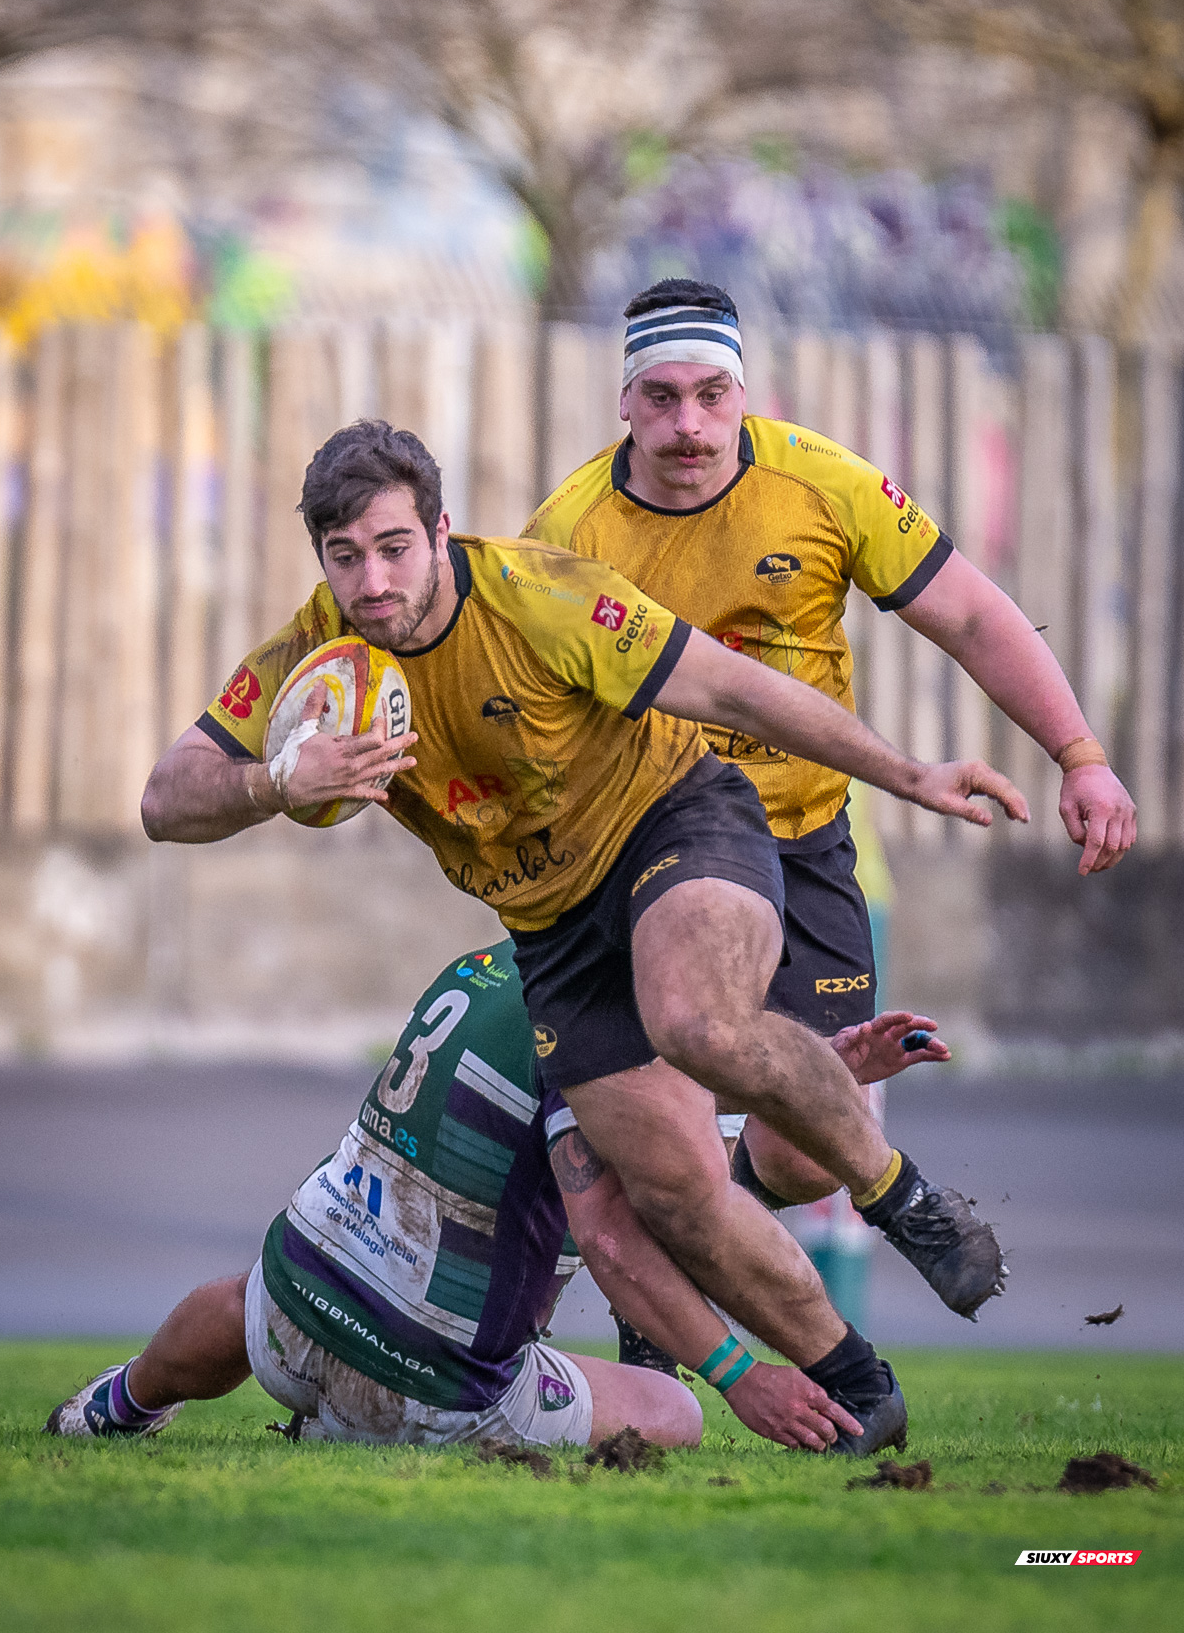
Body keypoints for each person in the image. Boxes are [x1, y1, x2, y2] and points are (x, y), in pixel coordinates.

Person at [142, 418, 1023, 1431]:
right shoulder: (322, 660)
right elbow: (167, 799)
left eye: (392, 548)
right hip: (552, 929)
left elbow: (736, 686)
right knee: (673, 1191)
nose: (372, 582)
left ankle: (903, 1200)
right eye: (345, 558)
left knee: (695, 1020)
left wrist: (908, 776)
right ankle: (861, 1392)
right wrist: (273, 779)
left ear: (440, 531)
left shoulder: (538, 598)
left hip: (674, 824)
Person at [523, 276, 1137, 1227]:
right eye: (662, 397)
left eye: (710, 396)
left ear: (743, 392)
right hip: (646, 851)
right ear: (624, 403)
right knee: (665, 1111)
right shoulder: (567, 536)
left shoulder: (822, 484)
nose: (688, 423)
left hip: (802, 840)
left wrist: (1079, 753)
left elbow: (971, 613)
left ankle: (706, 1211)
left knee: (815, 1148)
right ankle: (669, 1275)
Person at [47, 942, 923, 1457]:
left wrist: (819, 1083)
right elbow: (627, 1238)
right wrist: (740, 1379)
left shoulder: (489, 963)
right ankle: (355, 1430)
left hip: (287, 1311)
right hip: (437, 1386)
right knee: (673, 1412)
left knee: (247, 1296)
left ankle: (115, 1404)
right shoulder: (609, 1026)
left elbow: (707, 1177)